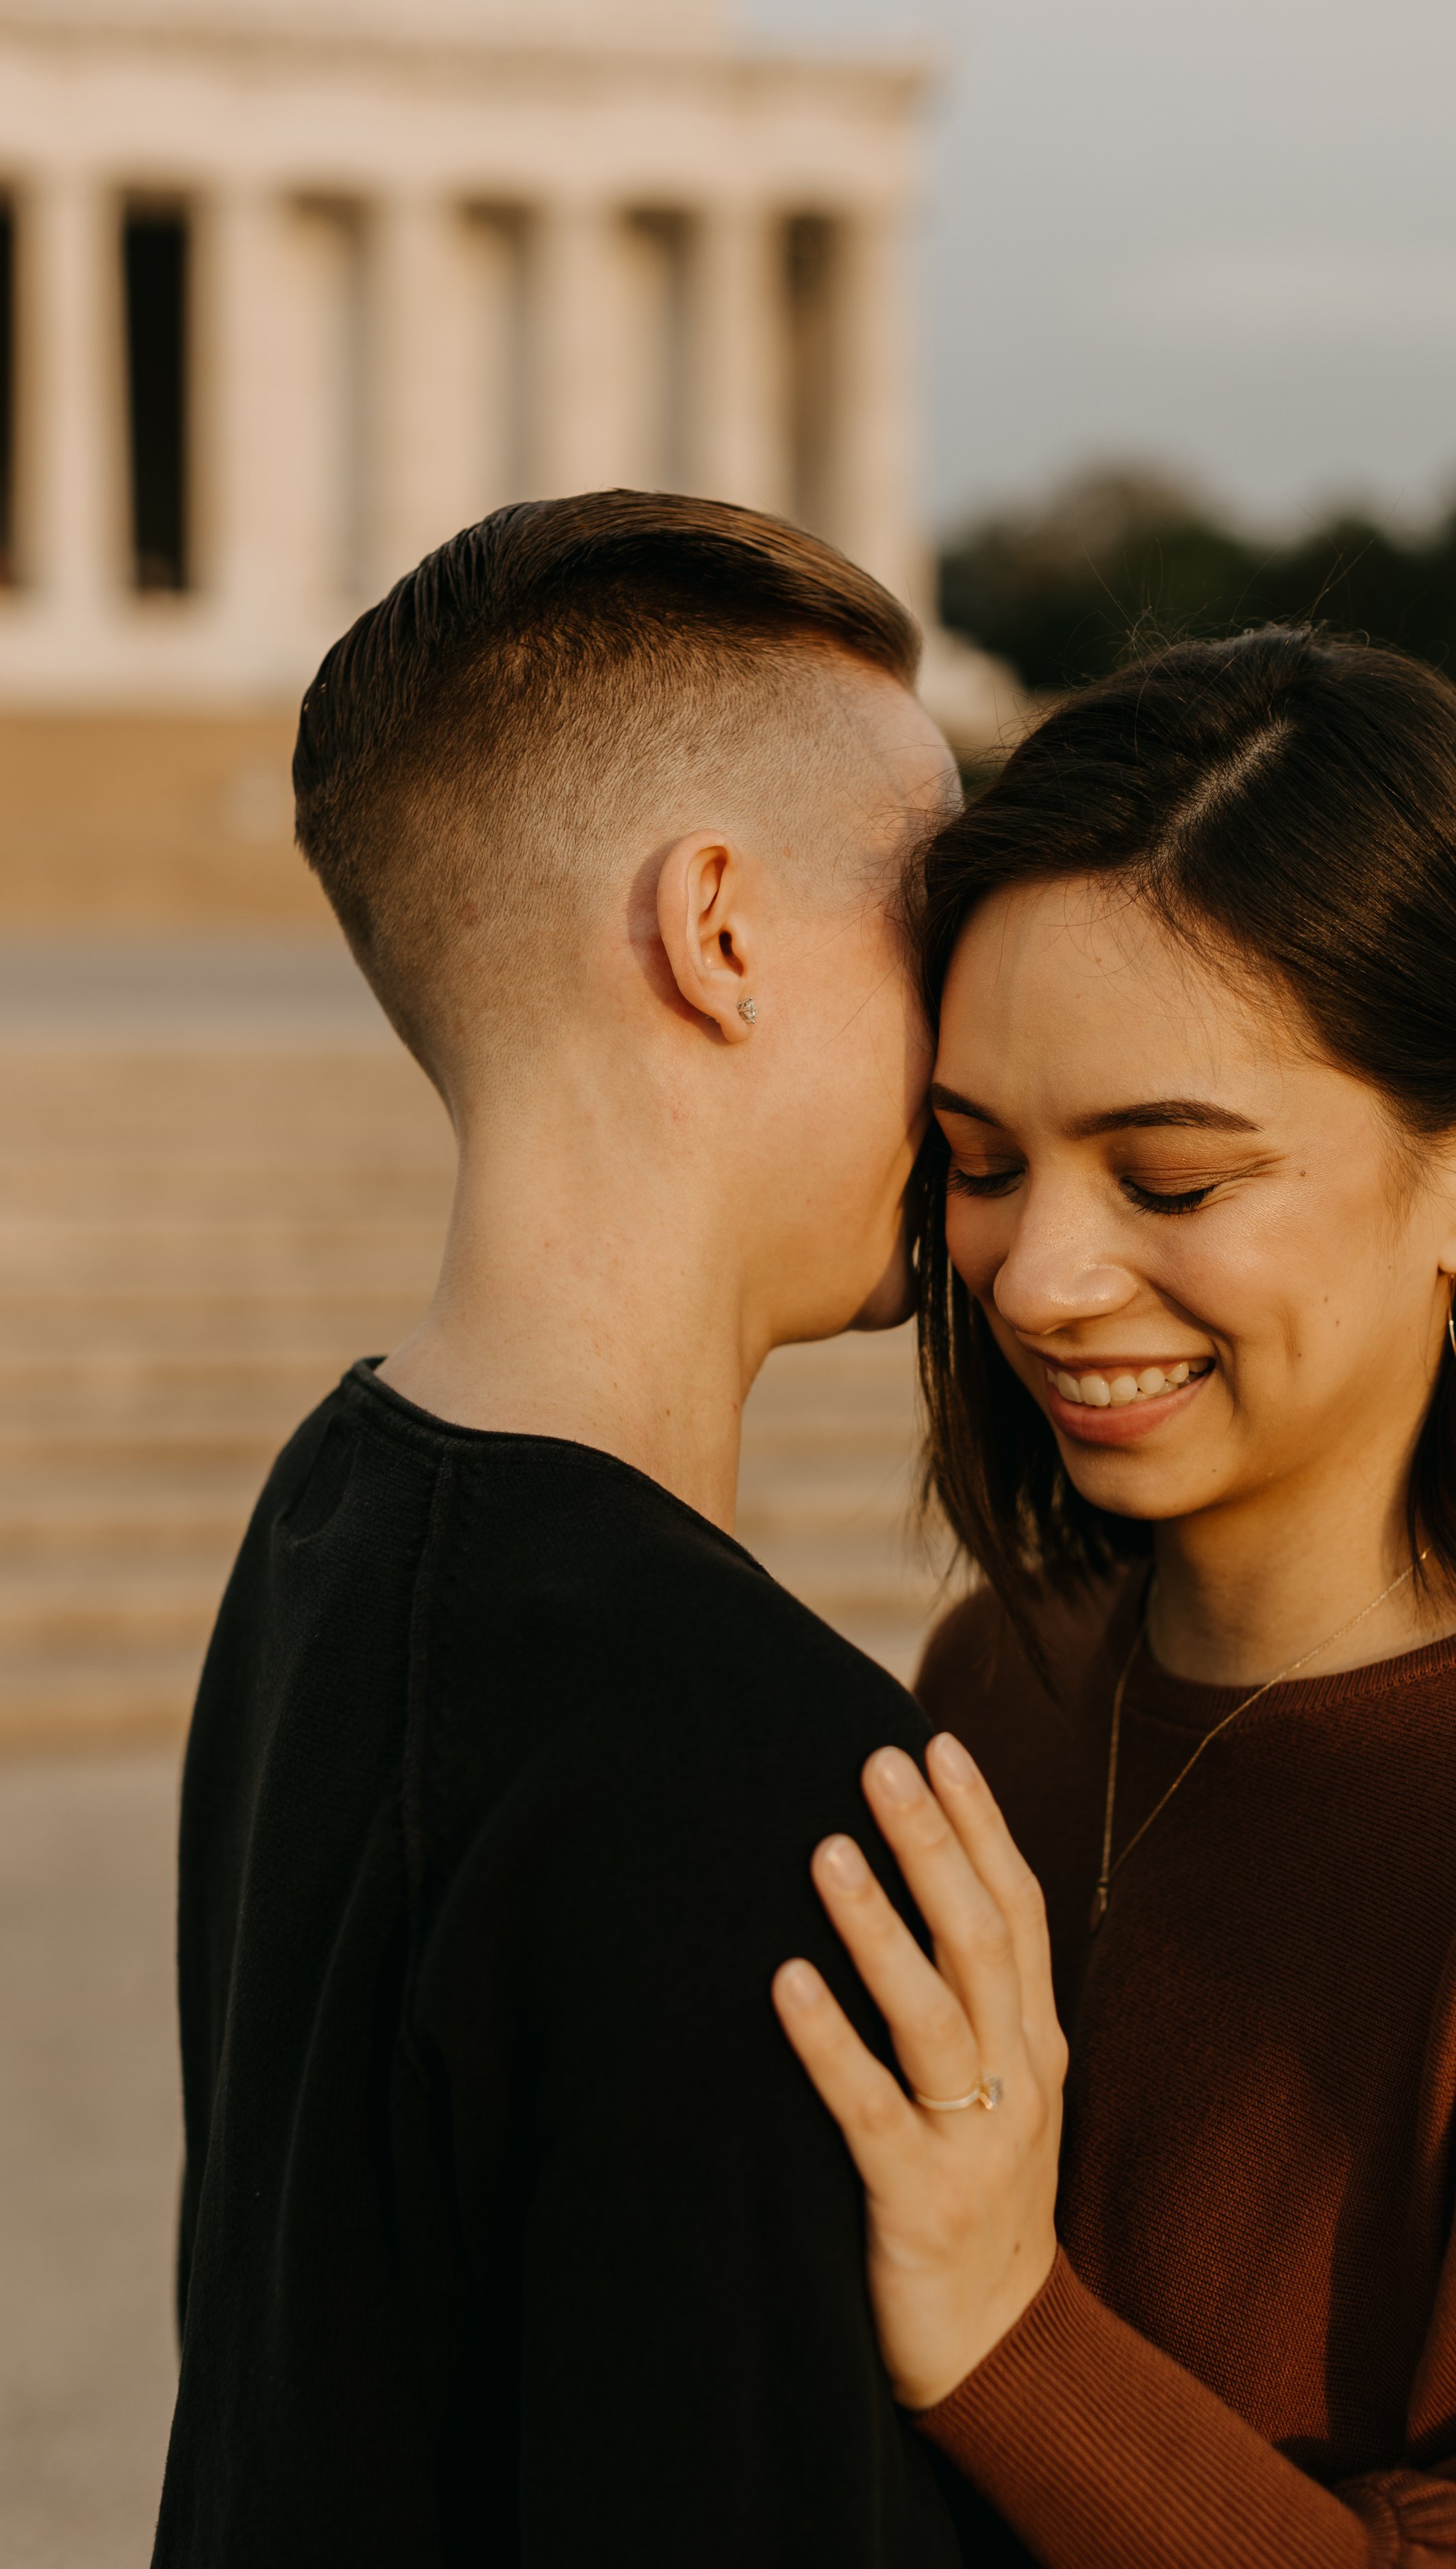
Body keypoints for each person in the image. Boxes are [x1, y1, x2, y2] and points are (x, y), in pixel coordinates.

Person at [772, 628, 1456, 2564]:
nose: (1032, 1277)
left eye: (1172, 1181)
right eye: (977, 1162)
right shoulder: (992, 1676)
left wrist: (1007, 2341)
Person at [153, 493, 967, 2567]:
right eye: (933, 917)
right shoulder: (748, 1763)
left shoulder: (335, 1512)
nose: (979, 1025)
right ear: (716, 932)